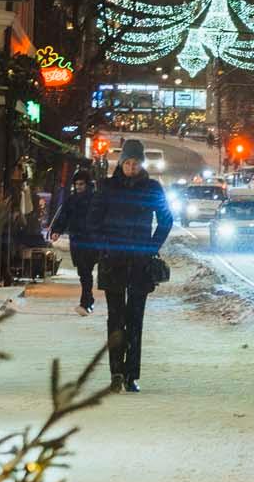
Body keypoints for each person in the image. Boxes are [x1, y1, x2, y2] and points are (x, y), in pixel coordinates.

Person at [56, 157, 173, 388]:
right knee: (116, 318)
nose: (131, 168)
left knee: (135, 319)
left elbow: (166, 220)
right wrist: (105, 247)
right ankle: (116, 373)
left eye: (136, 163)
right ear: (121, 164)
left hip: (140, 262)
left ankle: (132, 375)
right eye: (128, 163)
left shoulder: (151, 188)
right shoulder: (107, 187)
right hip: (113, 261)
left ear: (141, 164)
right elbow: (93, 221)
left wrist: (150, 247)